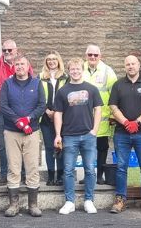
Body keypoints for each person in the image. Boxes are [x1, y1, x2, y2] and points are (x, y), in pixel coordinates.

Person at [108, 55, 141, 215]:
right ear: (125, 66)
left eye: (133, 64)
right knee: (121, 167)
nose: (130, 66)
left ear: (138, 65)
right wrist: (126, 123)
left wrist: (137, 122)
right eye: (127, 64)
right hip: (122, 134)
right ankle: (120, 199)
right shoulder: (118, 85)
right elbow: (113, 107)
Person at [54, 57, 103, 215]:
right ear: (68, 71)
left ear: (82, 69)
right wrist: (58, 135)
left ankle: (89, 200)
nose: (75, 72)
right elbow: (58, 114)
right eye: (72, 69)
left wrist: (94, 130)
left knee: (90, 169)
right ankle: (70, 201)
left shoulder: (92, 89)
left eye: (78, 69)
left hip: (88, 135)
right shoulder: (63, 91)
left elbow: (98, 110)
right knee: (68, 170)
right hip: (69, 136)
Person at [0, 56, 46, 217]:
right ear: (14, 67)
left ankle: (33, 205)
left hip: (31, 132)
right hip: (12, 132)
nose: (19, 67)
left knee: (32, 167)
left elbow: (42, 105)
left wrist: (28, 119)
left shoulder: (37, 83)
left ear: (28, 67)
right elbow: (3, 105)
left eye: (22, 64)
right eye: (17, 64)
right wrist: (17, 121)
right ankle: (14, 205)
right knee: (13, 167)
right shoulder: (7, 84)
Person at [0, 39, 33, 185]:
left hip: (22, 111)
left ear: (16, 50)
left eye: (10, 50)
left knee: (24, 143)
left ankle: (24, 174)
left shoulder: (23, 65)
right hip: (4, 112)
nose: (7, 53)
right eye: (4, 50)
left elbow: (32, 82)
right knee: (3, 145)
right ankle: (4, 173)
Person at [82, 44, 118, 185]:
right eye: (90, 54)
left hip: (103, 118)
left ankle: (99, 175)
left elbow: (114, 94)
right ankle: (87, 175)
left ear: (100, 56)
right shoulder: (80, 68)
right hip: (83, 118)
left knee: (101, 148)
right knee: (85, 148)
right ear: (86, 56)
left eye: (95, 55)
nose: (92, 57)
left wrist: (113, 115)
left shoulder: (108, 71)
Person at [39, 52, 67, 186]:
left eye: (54, 59)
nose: (51, 61)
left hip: (62, 117)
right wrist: (47, 110)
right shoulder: (40, 77)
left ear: (59, 61)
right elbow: (37, 97)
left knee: (60, 146)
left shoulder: (65, 77)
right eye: (48, 59)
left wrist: (57, 112)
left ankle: (61, 176)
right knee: (49, 147)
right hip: (45, 117)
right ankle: (51, 176)